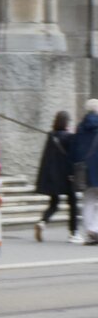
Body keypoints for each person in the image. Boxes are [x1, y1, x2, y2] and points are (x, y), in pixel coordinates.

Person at [33, 111, 80, 244]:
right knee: (73, 204)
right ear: (66, 123)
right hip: (66, 176)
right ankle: (73, 232)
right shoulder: (69, 137)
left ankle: (42, 222)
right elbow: (72, 157)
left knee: (54, 203)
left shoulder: (51, 136)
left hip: (53, 177)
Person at [70, 98, 98, 245]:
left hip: (85, 171)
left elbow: (74, 150)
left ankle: (90, 231)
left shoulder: (80, 127)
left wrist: (74, 167)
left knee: (88, 201)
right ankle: (96, 229)